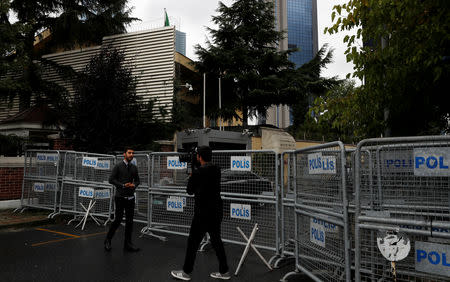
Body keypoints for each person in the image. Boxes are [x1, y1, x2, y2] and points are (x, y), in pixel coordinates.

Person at [171, 146, 230, 281]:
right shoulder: (217, 169)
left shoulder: (198, 172)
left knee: (193, 242)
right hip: (216, 211)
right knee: (216, 241)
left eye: (196, 155)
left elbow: (189, 190)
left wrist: (192, 172)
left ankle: (186, 272)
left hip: (202, 213)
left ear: (199, 157)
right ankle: (224, 271)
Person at [104, 147, 140, 252]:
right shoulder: (118, 166)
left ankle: (128, 244)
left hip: (131, 198)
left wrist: (134, 185)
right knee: (118, 220)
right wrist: (123, 185)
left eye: (133, 153)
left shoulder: (134, 167)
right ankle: (108, 240)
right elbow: (111, 180)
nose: (131, 154)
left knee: (129, 222)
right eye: (129, 153)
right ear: (124, 154)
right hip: (120, 197)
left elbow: (137, 181)